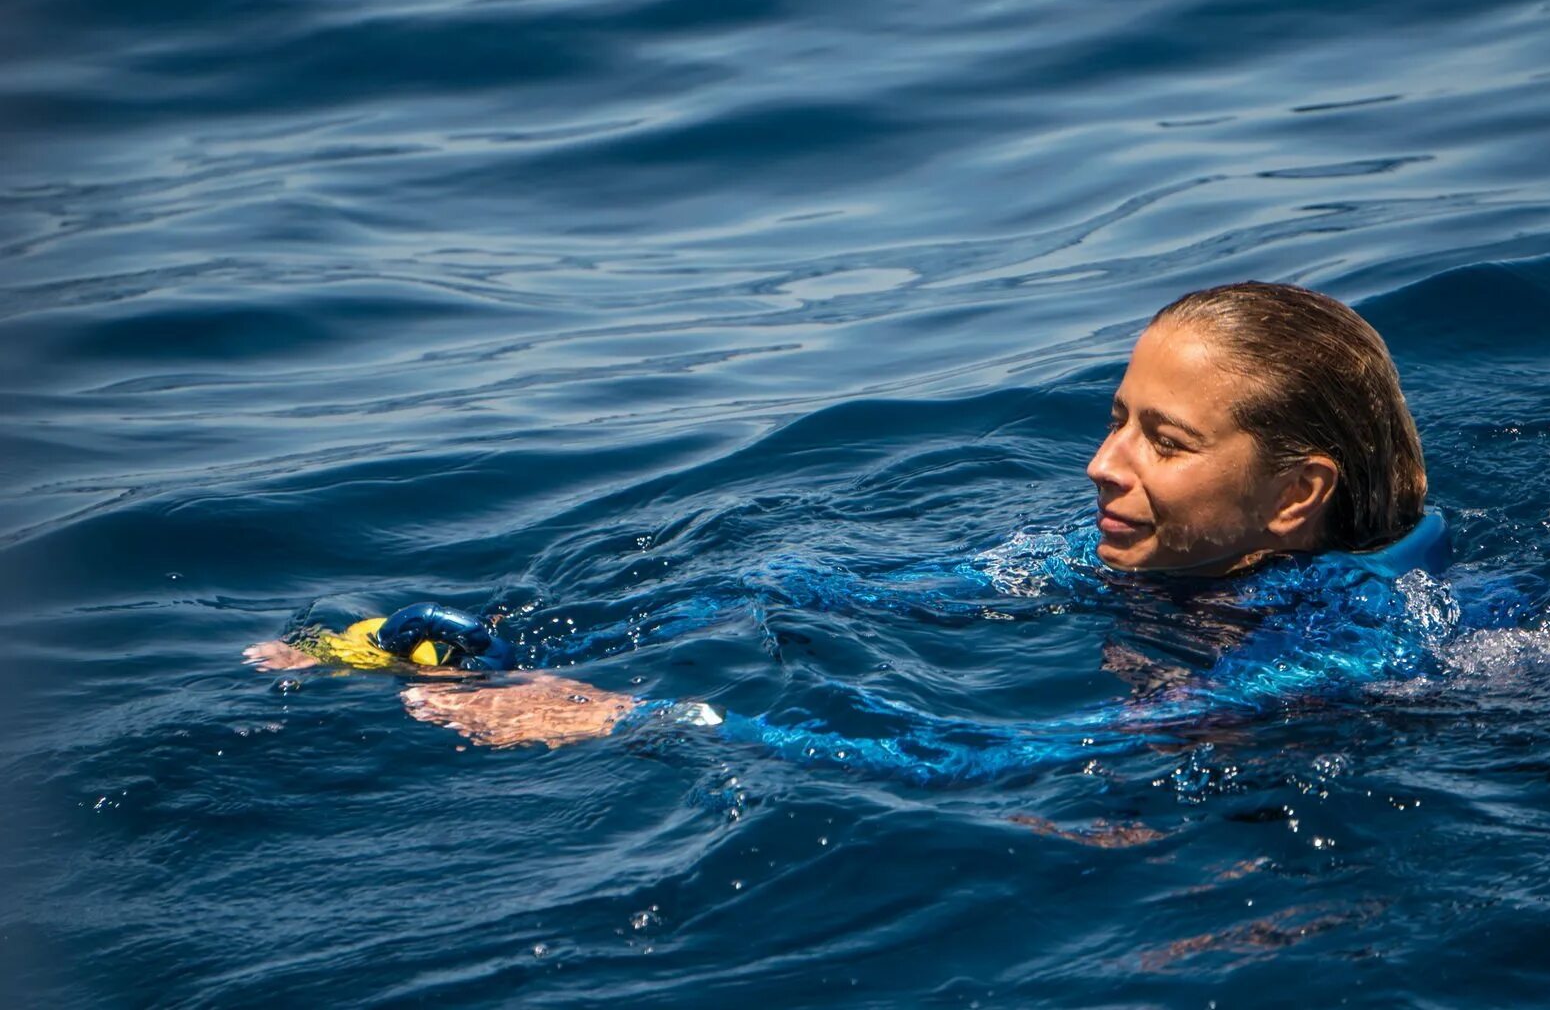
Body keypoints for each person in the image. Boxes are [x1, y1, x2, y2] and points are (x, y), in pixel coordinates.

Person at [248, 282, 1442, 777]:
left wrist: (642, 719)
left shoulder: (1346, 637)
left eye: (1163, 443)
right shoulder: (1114, 559)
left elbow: (995, 761)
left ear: (1297, 497)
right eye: (1115, 419)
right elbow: (809, 585)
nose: (1100, 464)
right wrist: (495, 641)